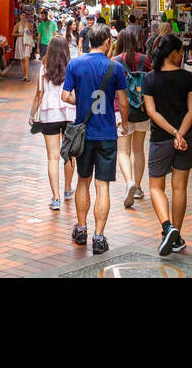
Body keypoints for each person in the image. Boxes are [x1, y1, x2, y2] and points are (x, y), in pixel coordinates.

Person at [62, 23, 129, 255]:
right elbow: (123, 101)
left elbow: (64, 95)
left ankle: (81, 230)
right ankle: (99, 237)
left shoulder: (75, 64)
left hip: (84, 135)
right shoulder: (115, 68)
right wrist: (126, 123)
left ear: (89, 40)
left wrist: (79, 103)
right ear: (108, 42)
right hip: (107, 134)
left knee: (83, 181)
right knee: (103, 186)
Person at [143, 33, 192, 256]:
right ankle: (177, 235)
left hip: (160, 139)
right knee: (179, 188)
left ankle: (168, 227)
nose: (182, 55)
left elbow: (151, 112)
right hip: (186, 138)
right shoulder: (187, 77)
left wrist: (174, 133)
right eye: (180, 51)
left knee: (156, 186)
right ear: (173, 53)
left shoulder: (149, 78)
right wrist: (181, 134)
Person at [30, 35, 76, 210]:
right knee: (69, 154)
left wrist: (32, 115)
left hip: (49, 115)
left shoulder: (44, 68)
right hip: (69, 113)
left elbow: (39, 94)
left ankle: (55, 198)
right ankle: (67, 189)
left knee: (53, 157)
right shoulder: (71, 66)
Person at [114, 25, 152, 209]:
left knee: (123, 151)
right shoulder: (145, 59)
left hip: (121, 112)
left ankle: (129, 181)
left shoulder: (114, 61)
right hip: (142, 110)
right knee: (139, 150)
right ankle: (137, 187)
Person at [12, 10, 35, 81]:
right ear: (20, 16)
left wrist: (29, 33)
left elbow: (32, 32)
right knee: (22, 59)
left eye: (24, 16)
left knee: (26, 58)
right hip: (20, 42)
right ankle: (24, 75)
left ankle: (26, 76)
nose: (23, 17)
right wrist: (21, 34)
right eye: (22, 15)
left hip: (27, 42)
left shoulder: (28, 24)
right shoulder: (18, 24)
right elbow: (13, 34)